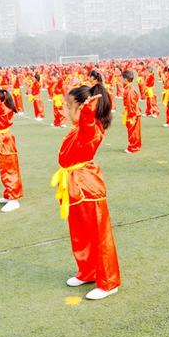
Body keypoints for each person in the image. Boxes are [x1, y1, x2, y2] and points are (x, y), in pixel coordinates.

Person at [50, 84, 121, 300]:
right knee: (80, 233)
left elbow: (88, 125)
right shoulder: (77, 129)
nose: (63, 109)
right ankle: (87, 271)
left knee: (98, 235)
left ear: (81, 108)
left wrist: (88, 112)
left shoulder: (91, 127)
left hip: (87, 186)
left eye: (67, 106)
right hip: (74, 185)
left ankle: (109, 282)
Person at [122, 70, 142, 153]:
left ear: (126, 80)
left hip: (133, 113)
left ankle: (134, 147)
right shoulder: (129, 88)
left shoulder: (129, 90)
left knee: (133, 131)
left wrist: (131, 115)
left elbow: (131, 103)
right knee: (133, 130)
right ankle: (134, 145)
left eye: (122, 78)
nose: (121, 80)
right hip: (133, 112)